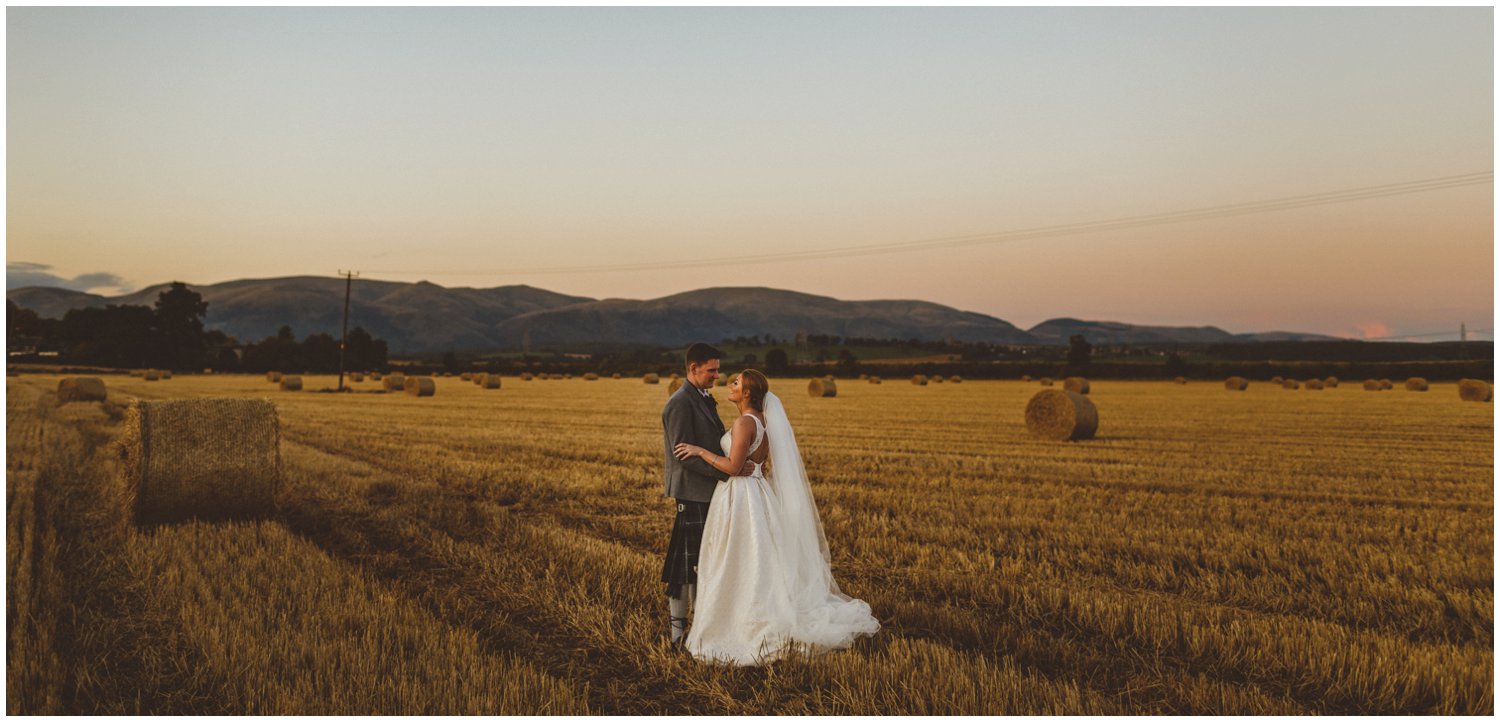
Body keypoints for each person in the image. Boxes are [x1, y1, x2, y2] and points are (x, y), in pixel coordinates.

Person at [673, 369, 880, 665]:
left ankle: (742, 625)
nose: (730, 385)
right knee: (757, 559)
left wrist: (699, 451)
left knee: (738, 559)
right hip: (756, 492)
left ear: (747, 393)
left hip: (742, 496)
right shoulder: (764, 420)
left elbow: (733, 467)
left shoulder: (745, 422)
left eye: (736, 383)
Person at [660, 343, 754, 645]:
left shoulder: (700, 397)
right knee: (685, 567)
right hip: (693, 494)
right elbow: (682, 455)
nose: (717, 375)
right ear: (693, 369)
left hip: (709, 492)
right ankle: (677, 636)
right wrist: (727, 471)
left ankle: (701, 630)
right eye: (712, 370)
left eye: (717, 369)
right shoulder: (680, 403)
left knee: (706, 563)